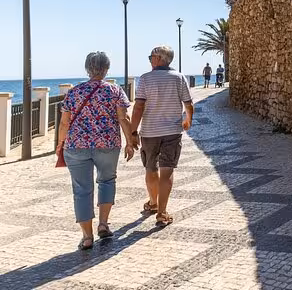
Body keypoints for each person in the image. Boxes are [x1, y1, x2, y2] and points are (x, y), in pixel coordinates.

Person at [56, 52, 136, 250]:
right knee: (107, 181)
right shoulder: (114, 91)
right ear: (107, 68)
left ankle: (87, 237)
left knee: (81, 189)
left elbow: (64, 122)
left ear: (87, 68)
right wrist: (129, 141)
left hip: (76, 145)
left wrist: (60, 143)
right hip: (107, 143)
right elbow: (123, 118)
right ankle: (103, 224)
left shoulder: (74, 92)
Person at [131, 45, 193, 227]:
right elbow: (188, 104)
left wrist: (133, 131)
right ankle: (162, 212)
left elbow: (139, 107)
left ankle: (153, 203)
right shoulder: (179, 78)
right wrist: (188, 120)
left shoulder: (145, 79)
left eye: (151, 57)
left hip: (150, 132)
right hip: (172, 131)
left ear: (159, 59)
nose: (150, 60)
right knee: (167, 170)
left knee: (151, 168)